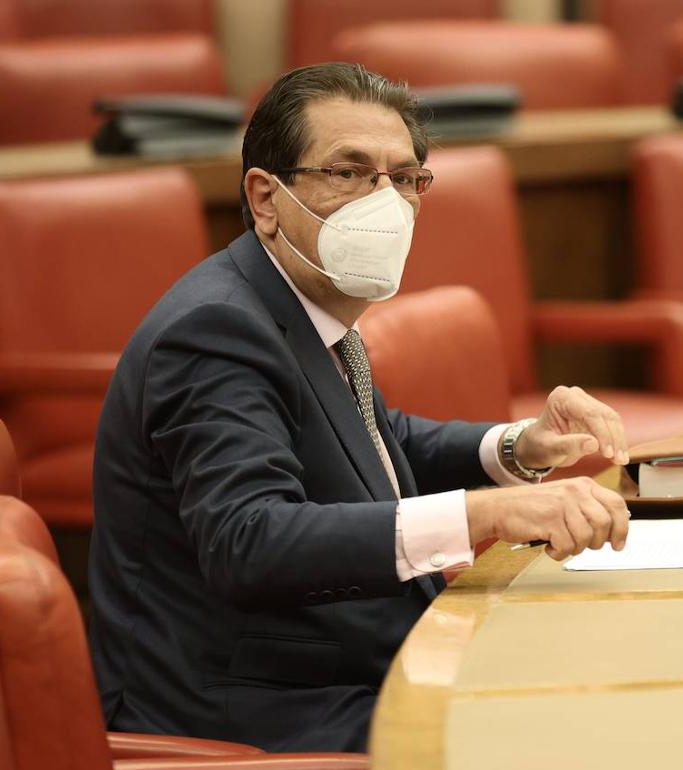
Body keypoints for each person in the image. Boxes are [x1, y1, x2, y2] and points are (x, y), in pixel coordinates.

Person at [87, 62, 632, 753]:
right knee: (562, 735)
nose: (386, 203)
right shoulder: (215, 330)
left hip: (331, 662)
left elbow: (370, 437)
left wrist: (516, 448)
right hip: (249, 702)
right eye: (349, 173)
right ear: (265, 197)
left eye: (403, 179)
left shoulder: (300, 303)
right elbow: (249, 541)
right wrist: (488, 514)